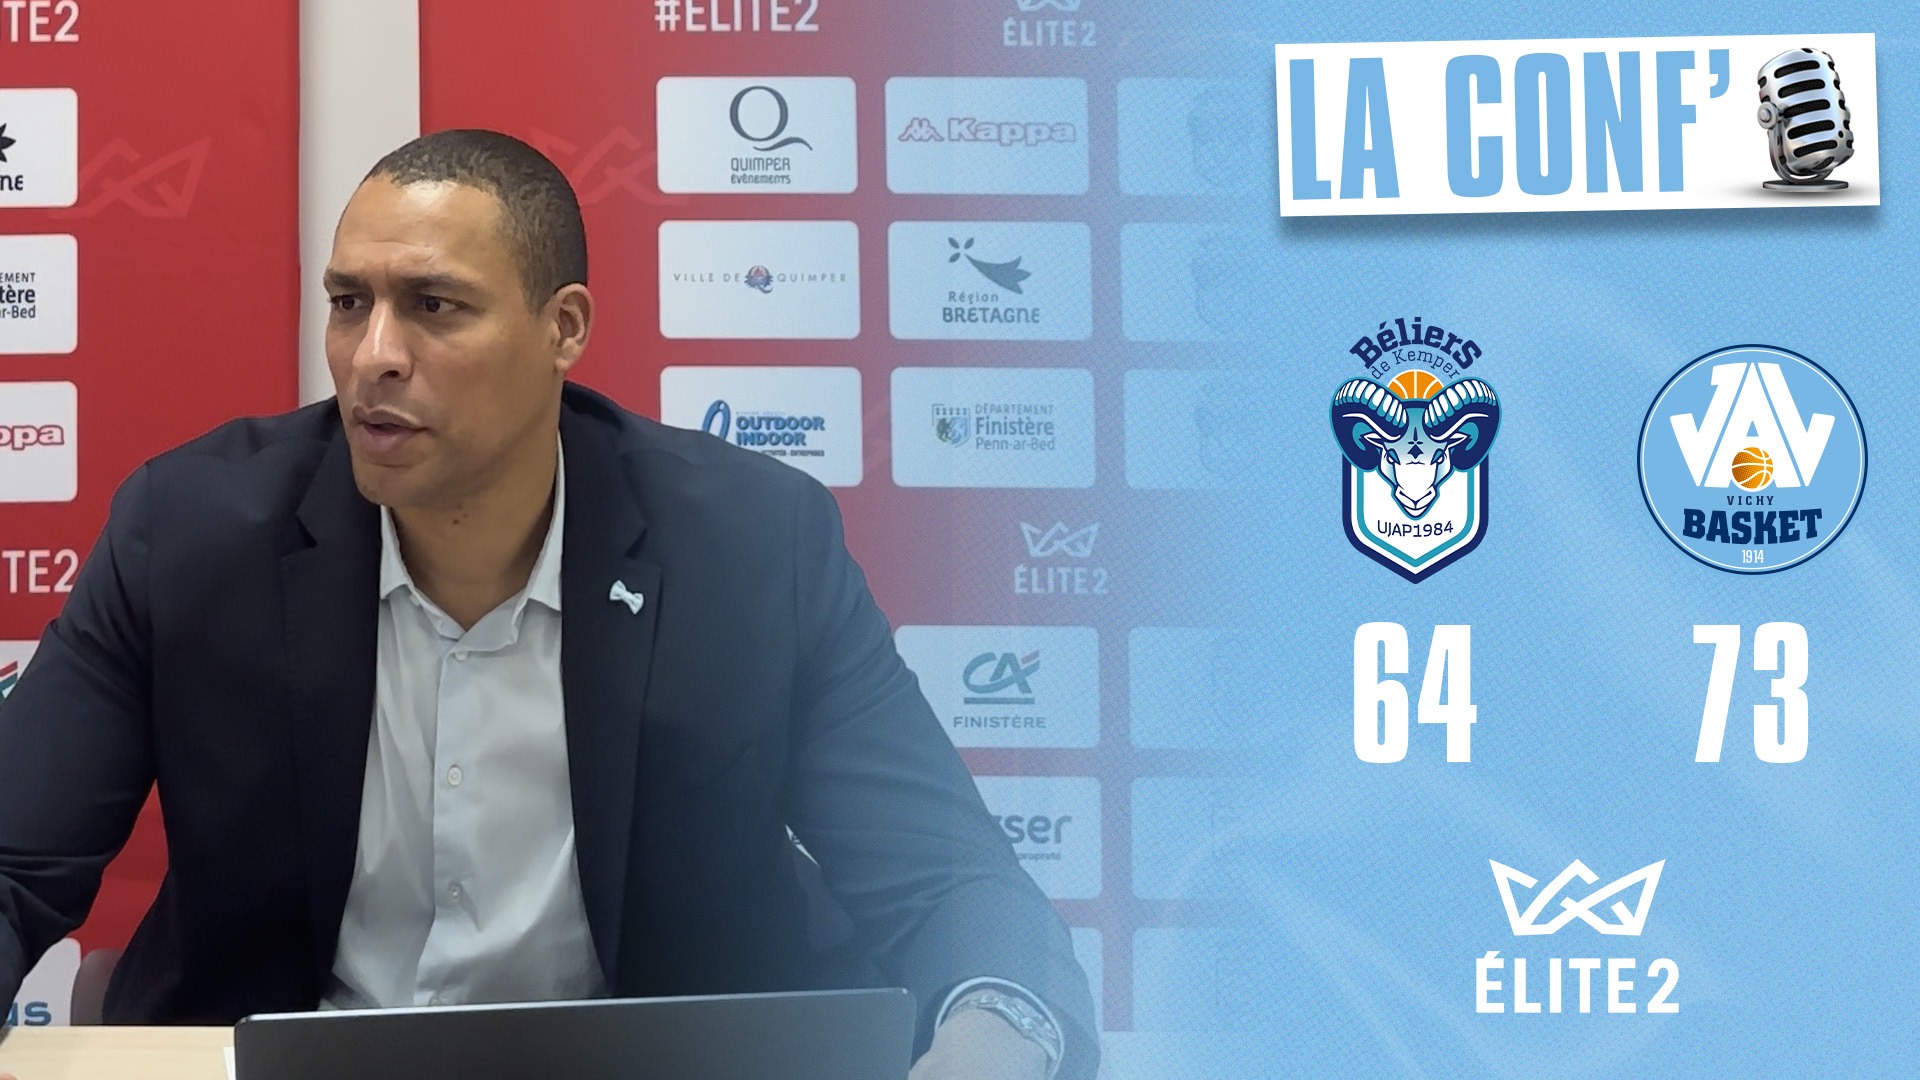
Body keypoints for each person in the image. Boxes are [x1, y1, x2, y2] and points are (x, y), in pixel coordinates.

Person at [0, 130, 1094, 1080]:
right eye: (348, 303)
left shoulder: (753, 549)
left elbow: (953, 886)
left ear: (563, 327)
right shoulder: (190, 536)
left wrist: (988, 1046)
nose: (373, 357)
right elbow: (13, 860)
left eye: (434, 306)